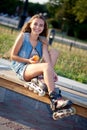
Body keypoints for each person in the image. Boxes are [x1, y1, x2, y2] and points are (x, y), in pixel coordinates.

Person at [11, 14, 72, 111]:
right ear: (30, 25)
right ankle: (55, 100)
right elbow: (12, 56)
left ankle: (42, 79)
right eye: (35, 24)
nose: (37, 27)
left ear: (43, 28)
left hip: (34, 68)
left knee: (54, 52)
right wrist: (28, 61)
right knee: (46, 66)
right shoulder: (23, 37)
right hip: (22, 68)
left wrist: (51, 71)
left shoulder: (42, 40)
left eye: (41, 25)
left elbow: (46, 57)